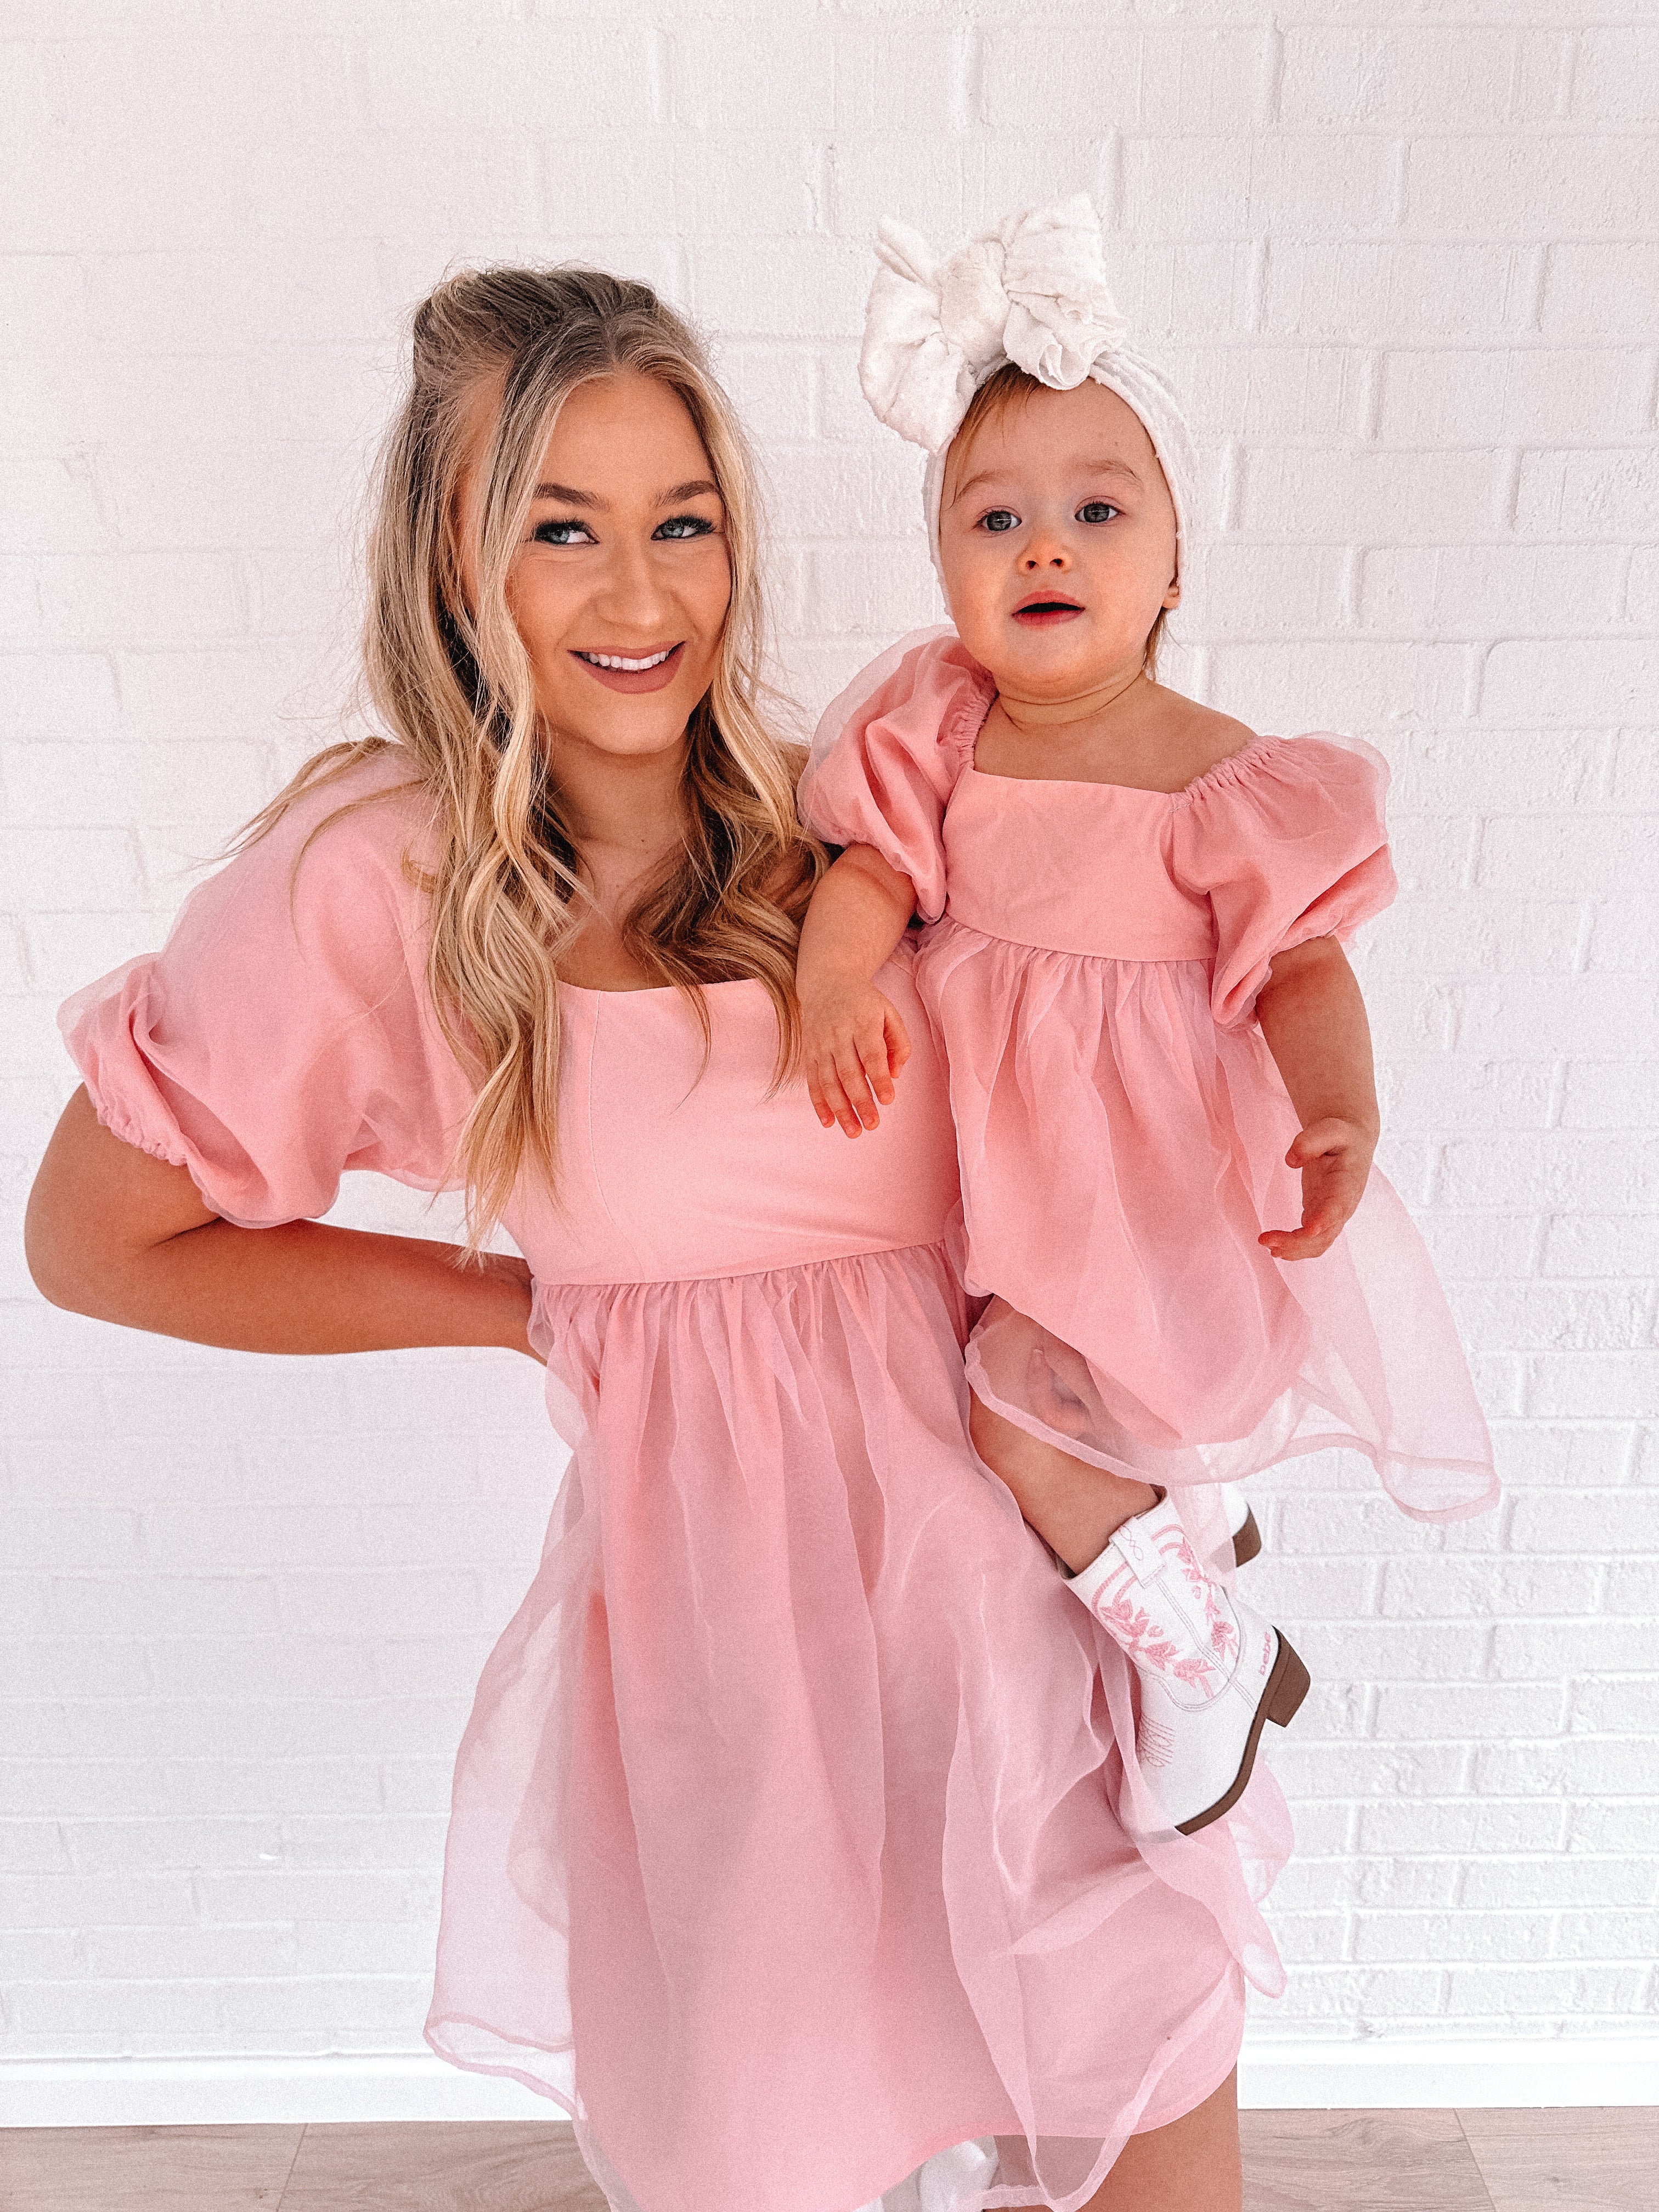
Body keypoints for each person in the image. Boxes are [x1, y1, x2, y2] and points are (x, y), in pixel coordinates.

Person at [26, 264, 1284, 2212]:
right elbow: (100, 1240)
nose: (643, 600)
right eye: (562, 531)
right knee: (771, 2152)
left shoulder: (859, 825)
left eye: (682, 524)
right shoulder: (376, 883)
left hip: (1019, 1613)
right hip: (727, 1669)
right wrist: (522, 1309)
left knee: (1147, 2133)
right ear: (453, 563)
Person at [795, 199, 1498, 1841]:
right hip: (982, 1158)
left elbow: (1307, 966)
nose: (1046, 546)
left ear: (1176, 561)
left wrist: (1344, 1110)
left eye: (1098, 510)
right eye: (995, 519)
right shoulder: (942, 727)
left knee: (1026, 1416)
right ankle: (1186, 1537)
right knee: (992, 1408)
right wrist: (835, 972)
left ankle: (1207, 1652)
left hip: (1138, 1175)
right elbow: (870, 872)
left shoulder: (1217, 768)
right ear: (946, 571)